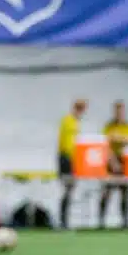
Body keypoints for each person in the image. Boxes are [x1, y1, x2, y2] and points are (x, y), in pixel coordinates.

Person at [99, 100, 128, 229]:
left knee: (125, 192)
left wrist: (116, 138)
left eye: (121, 111)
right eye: (116, 111)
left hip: (125, 161)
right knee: (106, 191)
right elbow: (104, 144)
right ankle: (101, 221)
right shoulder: (108, 126)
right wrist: (113, 161)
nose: (119, 113)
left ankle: (125, 222)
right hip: (111, 161)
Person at [57, 99, 86, 230]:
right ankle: (63, 221)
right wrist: (72, 161)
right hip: (66, 160)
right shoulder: (69, 121)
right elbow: (67, 145)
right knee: (68, 189)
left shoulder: (74, 122)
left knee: (69, 189)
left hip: (69, 159)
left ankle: (65, 220)